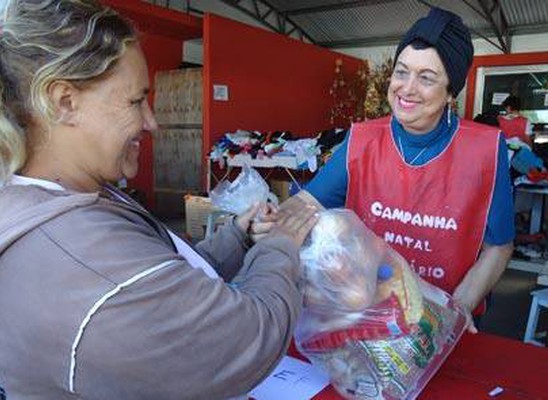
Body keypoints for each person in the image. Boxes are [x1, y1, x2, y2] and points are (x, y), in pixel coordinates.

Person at [0, 1, 318, 399]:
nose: (152, 122)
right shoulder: (82, 259)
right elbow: (248, 338)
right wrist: (279, 247)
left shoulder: (74, 197)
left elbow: (166, 277)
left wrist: (240, 235)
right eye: (136, 101)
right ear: (64, 102)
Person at [274, 7, 514, 331]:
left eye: (426, 78)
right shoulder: (362, 140)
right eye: (402, 72)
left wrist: (456, 311)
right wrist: (272, 220)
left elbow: (498, 246)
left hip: (443, 322)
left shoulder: (485, 150)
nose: (407, 88)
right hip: (366, 317)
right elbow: (306, 205)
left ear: (449, 92)